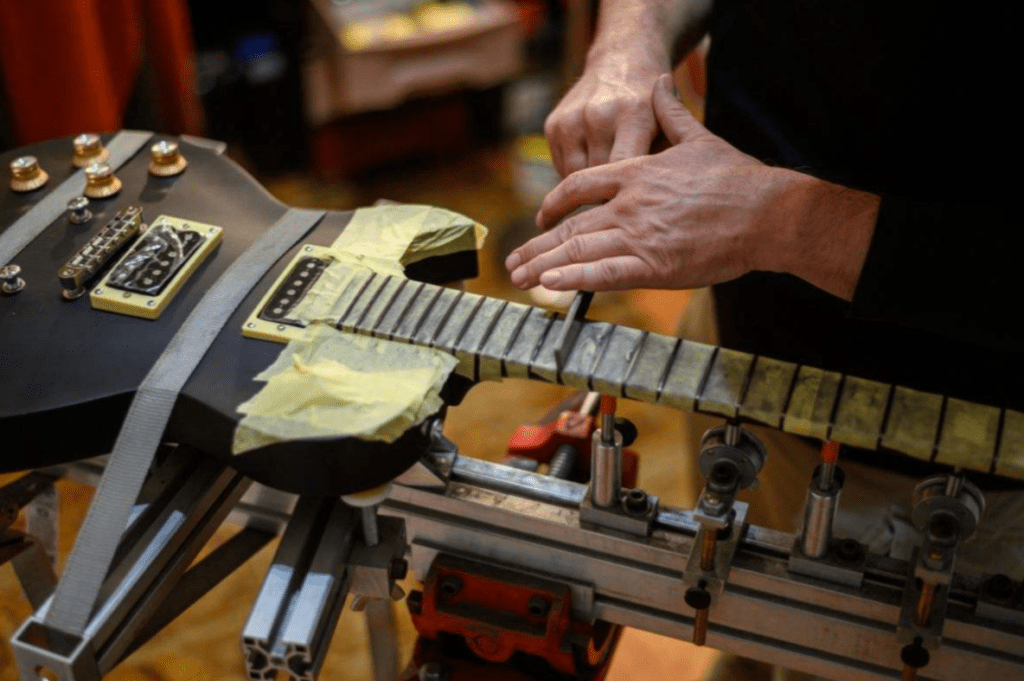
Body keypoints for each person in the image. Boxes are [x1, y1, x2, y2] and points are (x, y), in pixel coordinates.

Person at [505, 1, 1023, 679]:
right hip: (740, 366)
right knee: (738, 624)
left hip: (959, 466)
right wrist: (629, 42)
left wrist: (776, 220)